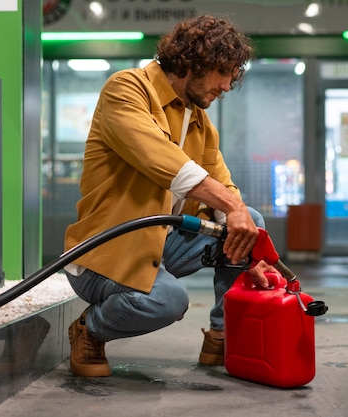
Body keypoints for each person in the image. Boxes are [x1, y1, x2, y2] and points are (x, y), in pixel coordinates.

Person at [63, 15, 277, 377]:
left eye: (232, 76)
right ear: (194, 62)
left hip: (162, 244)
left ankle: (224, 336)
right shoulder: (127, 89)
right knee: (169, 300)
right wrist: (229, 206)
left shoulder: (198, 121)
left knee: (249, 221)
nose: (227, 85)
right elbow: (164, 163)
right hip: (106, 253)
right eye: (223, 71)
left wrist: (251, 250)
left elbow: (223, 184)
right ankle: (90, 329)